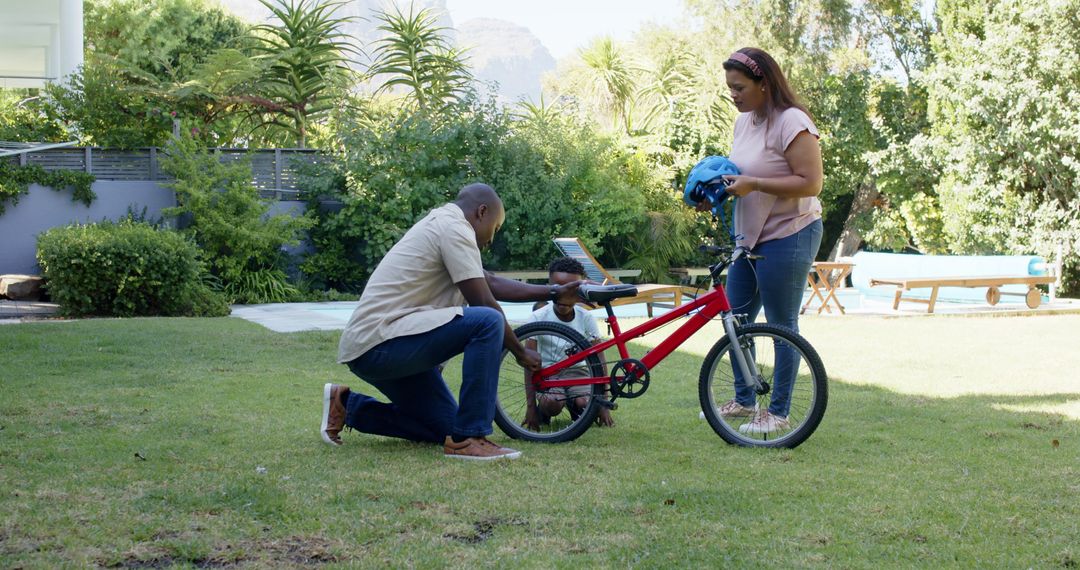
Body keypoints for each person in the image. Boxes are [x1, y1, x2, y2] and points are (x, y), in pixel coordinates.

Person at [321, 183, 586, 460]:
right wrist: (520, 353)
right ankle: (470, 438)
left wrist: (554, 292)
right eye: (494, 229)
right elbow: (484, 301)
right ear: (481, 212)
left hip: (382, 347)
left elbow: (490, 281)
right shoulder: (454, 229)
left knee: (448, 427)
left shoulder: (447, 225)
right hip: (379, 345)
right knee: (487, 320)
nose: (491, 240)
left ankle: (348, 406)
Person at [696, 47, 824, 434]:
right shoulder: (744, 123)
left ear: (764, 84)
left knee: (781, 324)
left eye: (739, 88)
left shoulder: (792, 121)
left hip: (790, 233)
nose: (733, 95)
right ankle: (745, 398)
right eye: (729, 89)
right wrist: (717, 193)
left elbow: (811, 182)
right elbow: (745, 176)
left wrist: (753, 184)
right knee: (736, 318)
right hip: (748, 239)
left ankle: (780, 410)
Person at [523, 257, 614, 430]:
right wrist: (531, 408)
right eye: (558, 288)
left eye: (571, 289)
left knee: (584, 402)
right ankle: (545, 411)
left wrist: (603, 404)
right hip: (550, 373)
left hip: (579, 373)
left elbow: (599, 358)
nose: (564, 295)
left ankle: (577, 406)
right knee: (552, 403)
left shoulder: (585, 317)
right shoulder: (538, 317)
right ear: (549, 286)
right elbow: (528, 364)